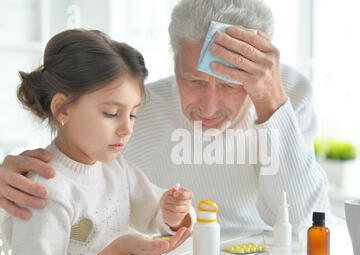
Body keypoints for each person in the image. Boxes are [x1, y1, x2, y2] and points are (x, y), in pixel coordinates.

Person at [0, 0, 332, 237]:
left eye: (231, 86)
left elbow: (303, 225)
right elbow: (54, 190)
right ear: (174, 62)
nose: (209, 107)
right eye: (194, 80)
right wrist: (13, 186)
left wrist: (271, 102)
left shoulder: (288, 94)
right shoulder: (139, 110)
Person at [1, 29, 195, 255]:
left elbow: (154, 216)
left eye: (133, 115)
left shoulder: (114, 167)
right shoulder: (45, 191)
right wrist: (114, 253)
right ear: (63, 109)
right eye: (112, 114)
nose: (126, 128)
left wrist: (173, 214)